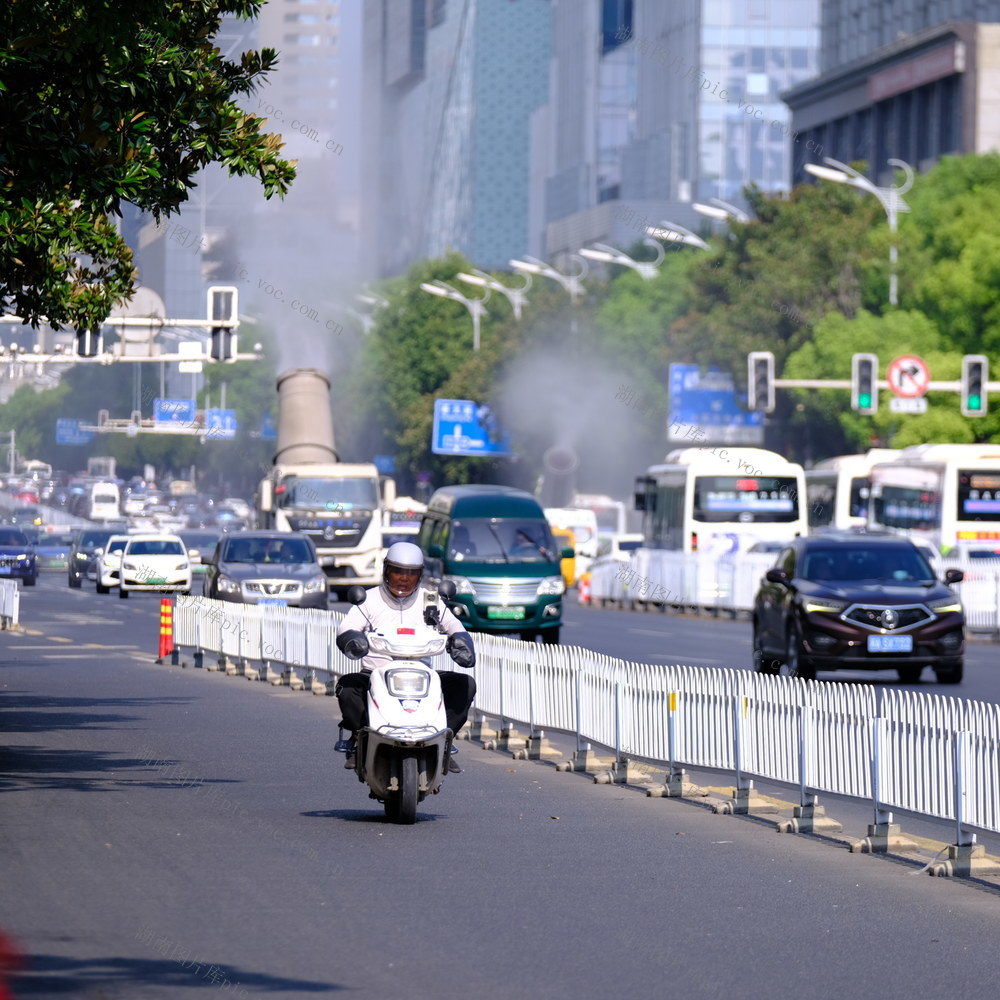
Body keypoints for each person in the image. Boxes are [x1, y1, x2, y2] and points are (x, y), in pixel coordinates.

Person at [334, 541, 477, 772]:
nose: (404, 578)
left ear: (419, 576)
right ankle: (359, 740)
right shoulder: (369, 599)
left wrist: (461, 639)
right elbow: (347, 626)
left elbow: (453, 623)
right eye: (398, 571)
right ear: (386, 571)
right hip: (375, 673)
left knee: (465, 685)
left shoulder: (430, 600)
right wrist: (353, 638)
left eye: (411, 574)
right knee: (348, 686)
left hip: (422, 673)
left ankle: (444, 740)